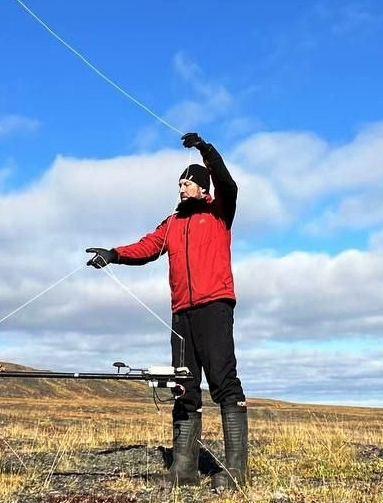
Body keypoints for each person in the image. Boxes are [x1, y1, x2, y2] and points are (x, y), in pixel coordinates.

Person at [85, 133, 247, 492]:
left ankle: (237, 470)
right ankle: (184, 469)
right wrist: (113, 254)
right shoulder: (172, 223)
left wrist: (205, 151)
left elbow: (227, 182)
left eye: (188, 182)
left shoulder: (220, 211)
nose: (182, 188)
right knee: (184, 386)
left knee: (223, 383)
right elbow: (147, 246)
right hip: (181, 313)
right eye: (179, 183)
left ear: (203, 188)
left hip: (214, 306)